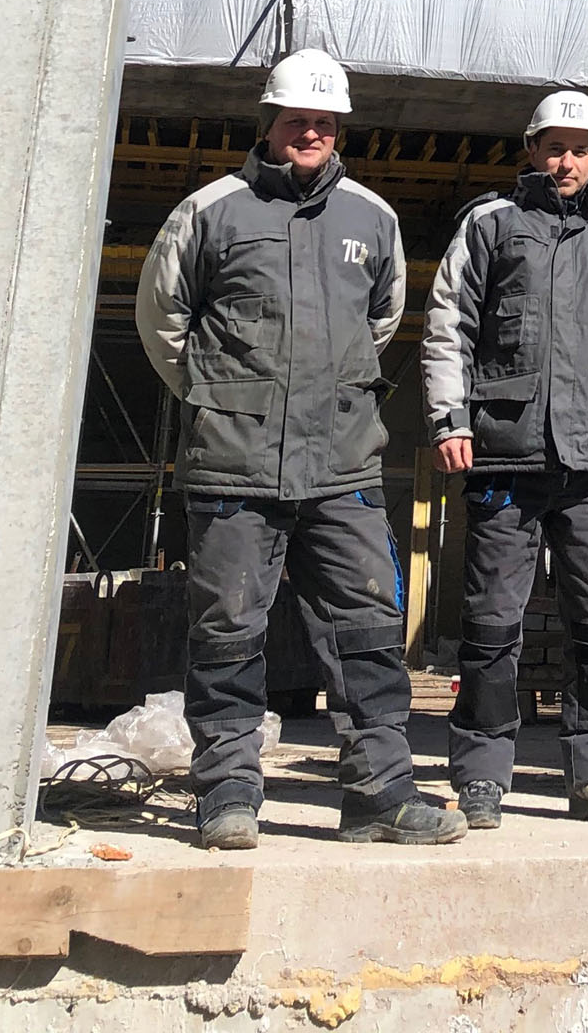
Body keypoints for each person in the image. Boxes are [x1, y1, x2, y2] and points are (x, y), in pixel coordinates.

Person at [136, 49, 463, 852]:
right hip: (235, 461)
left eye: (324, 122)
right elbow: (162, 319)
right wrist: (217, 398)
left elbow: (381, 321)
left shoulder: (372, 219)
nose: (310, 133)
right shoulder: (210, 211)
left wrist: (328, 399)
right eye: (295, 120)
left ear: (339, 128)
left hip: (342, 463)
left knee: (368, 629)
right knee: (228, 630)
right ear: (269, 123)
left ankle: (380, 796)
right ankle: (228, 793)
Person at [422, 86, 588, 828]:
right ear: (531, 150)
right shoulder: (489, 226)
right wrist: (449, 418)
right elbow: (449, 325)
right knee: (490, 625)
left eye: (580, 150)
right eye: (554, 148)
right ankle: (481, 774)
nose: (566, 162)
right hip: (504, 454)